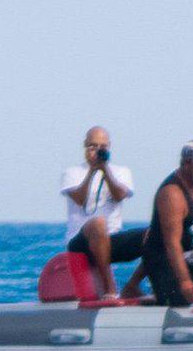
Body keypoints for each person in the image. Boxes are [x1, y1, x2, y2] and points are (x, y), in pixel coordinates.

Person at [61, 126, 143, 297]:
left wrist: (105, 170)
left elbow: (120, 195)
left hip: (111, 239)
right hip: (80, 241)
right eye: (92, 146)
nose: (97, 151)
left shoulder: (121, 172)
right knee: (98, 223)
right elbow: (79, 199)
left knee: (154, 234)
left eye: (102, 147)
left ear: (109, 147)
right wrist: (92, 170)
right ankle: (110, 289)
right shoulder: (72, 172)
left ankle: (134, 286)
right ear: (84, 146)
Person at [141, 140, 193, 306]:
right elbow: (172, 244)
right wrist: (185, 281)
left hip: (191, 255)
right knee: (181, 301)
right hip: (165, 259)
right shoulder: (172, 194)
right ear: (186, 164)